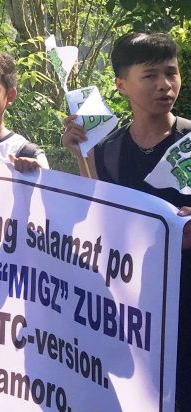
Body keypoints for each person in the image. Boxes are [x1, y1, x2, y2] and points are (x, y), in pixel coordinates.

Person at [62, 31, 188, 408]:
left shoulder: (189, 142)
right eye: (150, 75)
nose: (164, 84)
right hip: (132, 312)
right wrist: (82, 156)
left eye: (171, 73)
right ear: (121, 85)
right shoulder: (109, 150)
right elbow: (100, 215)